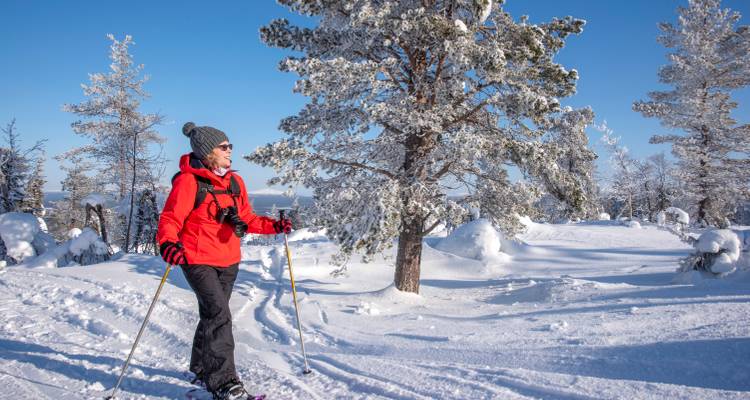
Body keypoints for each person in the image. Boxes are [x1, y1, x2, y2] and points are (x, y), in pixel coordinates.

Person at [157, 122, 292, 400]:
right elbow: (171, 218)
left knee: (212, 313)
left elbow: (248, 219)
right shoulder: (188, 182)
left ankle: (200, 368)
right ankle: (224, 382)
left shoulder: (234, 182)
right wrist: (168, 243)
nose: (230, 150)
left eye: (230, 145)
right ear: (209, 152)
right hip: (196, 259)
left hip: (228, 259)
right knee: (219, 315)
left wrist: (274, 227)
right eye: (224, 146)